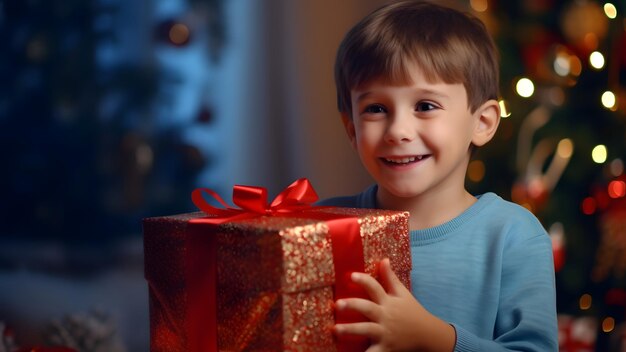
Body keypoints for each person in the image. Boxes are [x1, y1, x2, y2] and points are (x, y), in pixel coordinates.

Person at [319, 1, 558, 351]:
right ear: (351, 128)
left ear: (482, 122)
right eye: (376, 109)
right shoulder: (322, 228)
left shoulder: (513, 236)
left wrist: (434, 338)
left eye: (425, 106)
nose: (398, 130)